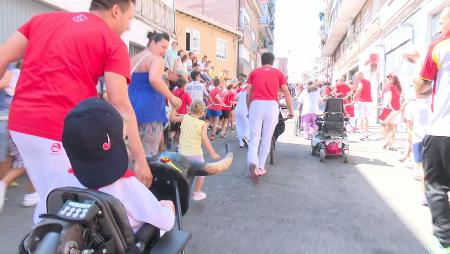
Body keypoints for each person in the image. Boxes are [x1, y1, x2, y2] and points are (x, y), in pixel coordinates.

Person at [0, 0, 153, 223]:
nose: (129, 27)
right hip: (59, 130)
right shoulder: (112, 42)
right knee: (69, 209)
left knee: (49, 199)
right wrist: (140, 158)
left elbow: (2, 57)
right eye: (130, 19)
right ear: (116, 11)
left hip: (20, 125)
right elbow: (119, 102)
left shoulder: (41, 21)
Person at [57, 98, 175, 233]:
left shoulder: (62, 181)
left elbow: (41, 216)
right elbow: (165, 222)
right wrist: (167, 207)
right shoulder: (127, 184)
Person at [415, 6, 450, 253]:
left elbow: (422, 86)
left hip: (442, 130)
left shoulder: (439, 46)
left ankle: (444, 242)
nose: (439, 27)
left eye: (442, 22)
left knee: (436, 187)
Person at [129, 31, 182, 158]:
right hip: (150, 110)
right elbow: (154, 79)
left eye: (166, 48)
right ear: (153, 43)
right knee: (149, 155)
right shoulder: (156, 59)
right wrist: (172, 97)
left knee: (137, 154)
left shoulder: (134, 58)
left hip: (131, 107)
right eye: (163, 47)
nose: (164, 51)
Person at [246, 52, 294, 178]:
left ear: (261, 61)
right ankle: (261, 167)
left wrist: (249, 109)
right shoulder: (278, 73)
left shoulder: (254, 72)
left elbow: (248, 93)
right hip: (272, 105)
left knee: (254, 138)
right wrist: (291, 111)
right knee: (267, 137)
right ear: (273, 62)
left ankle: (253, 163)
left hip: (256, 104)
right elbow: (287, 93)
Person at [169, 100, 220, 201]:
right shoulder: (202, 124)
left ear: (189, 109)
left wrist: (175, 107)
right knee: (202, 173)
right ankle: (197, 192)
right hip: (196, 154)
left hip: (182, 153)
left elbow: (172, 118)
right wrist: (212, 153)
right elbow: (204, 139)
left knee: (181, 172)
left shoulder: (185, 117)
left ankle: (177, 191)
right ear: (202, 113)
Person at [379, 74, 402, 151]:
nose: (388, 79)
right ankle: (393, 145)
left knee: (382, 124)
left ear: (393, 79)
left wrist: (388, 106)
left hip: (388, 108)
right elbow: (400, 98)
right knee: (392, 127)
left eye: (389, 78)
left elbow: (389, 97)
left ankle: (387, 140)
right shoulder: (398, 88)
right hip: (396, 109)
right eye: (387, 78)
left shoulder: (388, 86)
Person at [353, 72, 373, 140]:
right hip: (368, 101)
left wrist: (354, 96)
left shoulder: (361, 82)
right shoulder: (368, 82)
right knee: (366, 117)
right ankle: (366, 133)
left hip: (361, 101)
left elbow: (360, 89)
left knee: (360, 117)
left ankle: (361, 134)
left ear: (361, 75)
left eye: (356, 76)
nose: (356, 77)